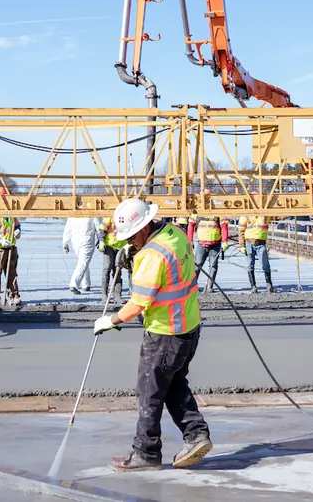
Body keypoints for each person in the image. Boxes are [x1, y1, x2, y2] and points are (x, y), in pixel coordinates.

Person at [93, 198, 212, 472]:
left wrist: (110, 320)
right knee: (172, 384)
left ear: (145, 228)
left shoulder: (151, 256)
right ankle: (196, 435)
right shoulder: (176, 234)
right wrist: (133, 253)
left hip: (165, 333)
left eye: (133, 236)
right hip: (189, 326)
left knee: (149, 391)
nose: (132, 241)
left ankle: (146, 452)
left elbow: (138, 303)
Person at [0, 187, 23, 308]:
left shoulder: (11, 213)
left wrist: (17, 231)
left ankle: (14, 295)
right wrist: (0, 241)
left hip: (11, 247)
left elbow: (17, 224)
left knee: (12, 273)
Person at [187, 215, 229, 293]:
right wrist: (190, 240)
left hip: (215, 244)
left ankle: (209, 287)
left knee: (213, 266)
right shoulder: (198, 211)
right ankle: (193, 286)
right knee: (197, 266)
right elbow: (191, 225)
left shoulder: (219, 212)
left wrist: (224, 241)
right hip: (202, 244)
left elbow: (224, 226)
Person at [97, 216, 131, 303]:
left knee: (118, 271)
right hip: (109, 245)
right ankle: (104, 295)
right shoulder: (110, 218)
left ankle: (117, 295)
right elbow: (102, 229)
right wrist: (101, 240)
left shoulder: (128, 218)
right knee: (107, 268)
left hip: (121, 246)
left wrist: (129, 244)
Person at [238, 215, 273, 293]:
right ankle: (253, 286)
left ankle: (269, 285)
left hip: (261, 243)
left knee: (265, 264)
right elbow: (241, 231)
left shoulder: (265, 215)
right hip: (249, 242)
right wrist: (242, 246)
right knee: (250, 265)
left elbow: (279, 216)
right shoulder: (246, 215)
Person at [62, 217, 98, 294]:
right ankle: (75, 284)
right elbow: (68, 227)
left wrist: (101, 239)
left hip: (84, 239)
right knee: (83, 262)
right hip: (77, 240)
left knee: (83, 262)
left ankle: (84, 284)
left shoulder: (90, 212)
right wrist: (65, 242)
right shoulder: (74, 213)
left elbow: (98, 226)